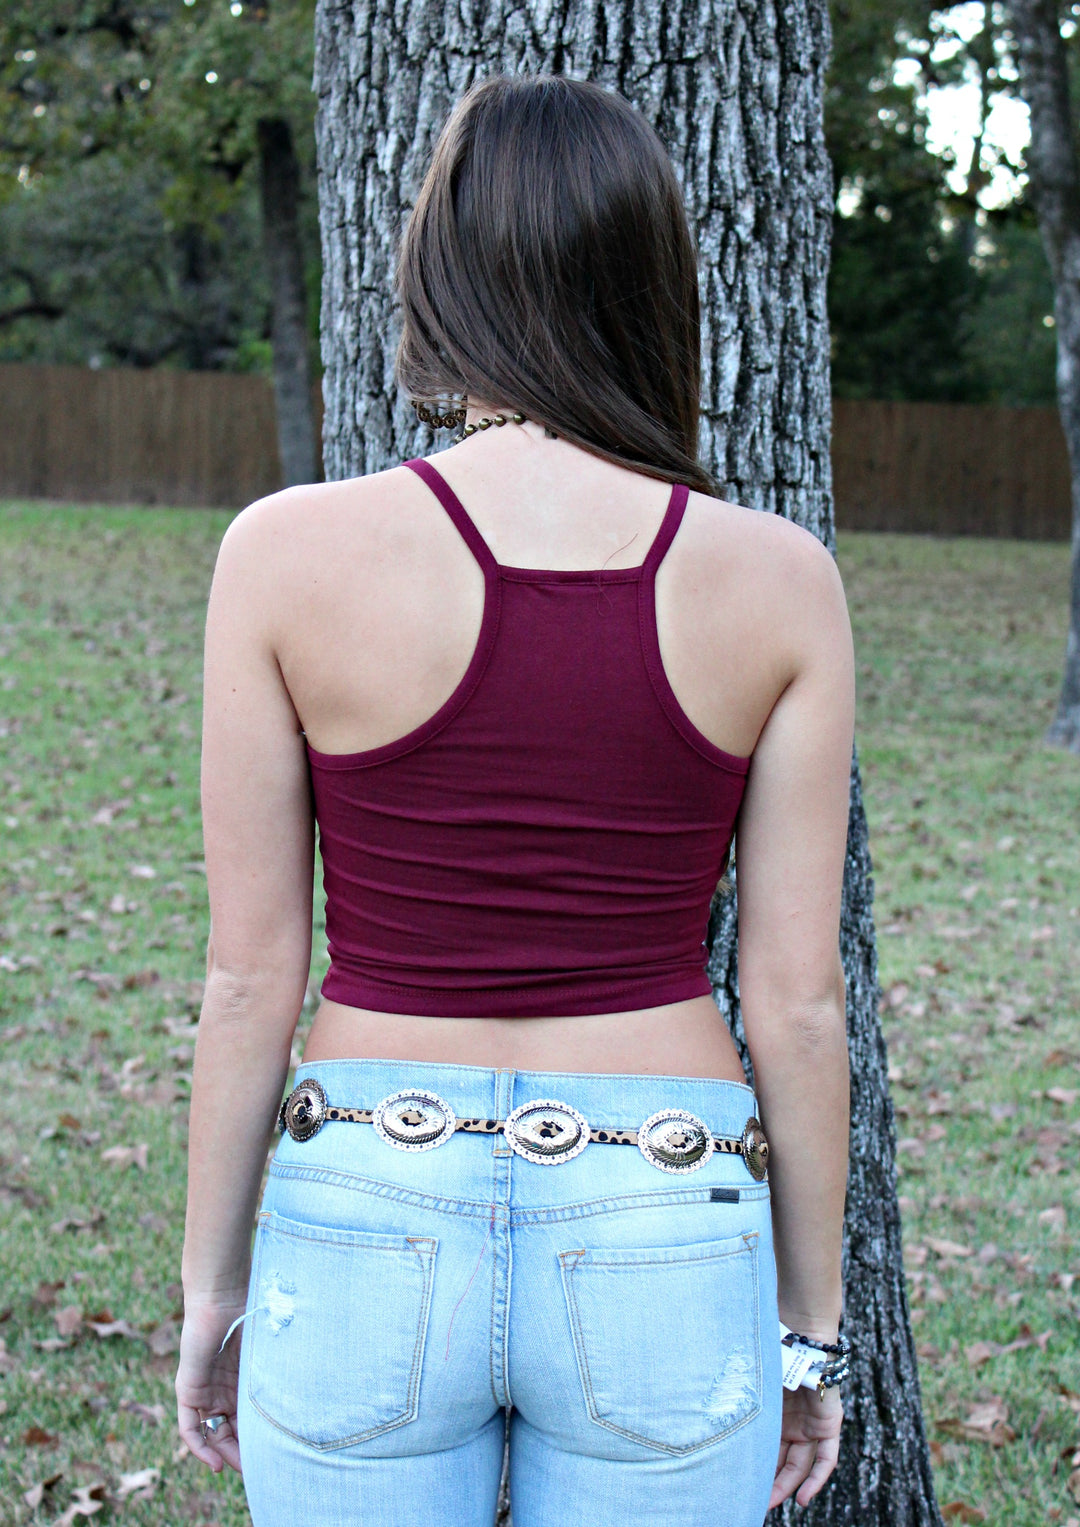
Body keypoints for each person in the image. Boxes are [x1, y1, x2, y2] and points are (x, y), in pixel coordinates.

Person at [174, 73, 853, 1527]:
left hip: (365, 1185)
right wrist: (809, 1329)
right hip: (663, 1197)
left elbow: (249, 977)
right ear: (654, 288)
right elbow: (796, 1004)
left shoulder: (286, 556)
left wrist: (212, 1290)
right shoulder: (778, 581)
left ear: (437, 281)